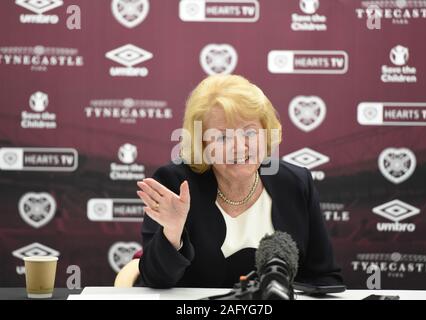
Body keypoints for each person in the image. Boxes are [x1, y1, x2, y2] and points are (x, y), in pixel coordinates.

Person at [136, 74, 342, 288]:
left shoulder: (296, 183)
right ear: (202, 143)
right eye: (223, 137)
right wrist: (172, 233)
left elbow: (326, 278)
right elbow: (155, 280)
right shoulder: (175, 184)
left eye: (250, 133)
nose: (240, 147)